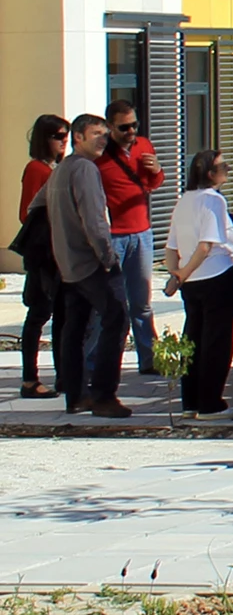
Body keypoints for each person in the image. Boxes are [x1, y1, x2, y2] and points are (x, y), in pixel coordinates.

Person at [45, 115, 127, 417]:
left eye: (106, 134)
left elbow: (36, 209)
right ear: (78, 137)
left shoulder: (60, 170)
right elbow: (94, 222)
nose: (103, 139)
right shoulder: (84, 169)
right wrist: (108, 258)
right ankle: (104, 395)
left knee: (74, 329)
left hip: (67, 264)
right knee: (116, 319)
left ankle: (76, 396)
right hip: (91, 262)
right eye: (96, 134)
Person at [93, 98, 165, 375]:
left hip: (142, 233)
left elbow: (152, 185)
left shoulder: (144, 146)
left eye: (135, 125)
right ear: (110, 127)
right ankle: (96, 364)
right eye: (124, 127)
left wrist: (156, 170)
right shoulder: (100, 155)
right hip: (113, 237)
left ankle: (149, 359)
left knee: (142, 302)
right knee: (109, 304)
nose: (131, 132)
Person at [165, 150, 233, 415]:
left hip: (193, 282)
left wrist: (177, 274)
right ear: (210, 173)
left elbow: (171, 246)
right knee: (216, 342)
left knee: (193, 339)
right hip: (217, 276)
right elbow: (206, 245)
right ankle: (211, 401)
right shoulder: (213, 201)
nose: (228, 170)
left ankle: (190, 401)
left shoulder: (183, 201)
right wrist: (183, 272)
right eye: (223, 166)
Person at [14, 114, 69, 399]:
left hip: (58, 252)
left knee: (59, 314)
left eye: (66, 135)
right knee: (38, 315)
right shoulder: (37, 169)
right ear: (44, 139)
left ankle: (63, 376)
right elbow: (27, 212)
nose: (64, 141)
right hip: (43, 254)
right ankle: (29, 379)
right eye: (58, 136)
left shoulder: (57, 168)